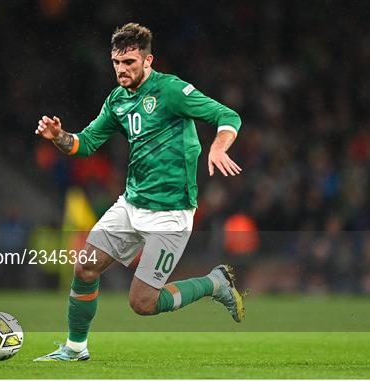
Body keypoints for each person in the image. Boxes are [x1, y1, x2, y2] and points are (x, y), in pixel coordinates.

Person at [34, 23, 244, 362]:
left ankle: (214, 283)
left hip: (171, 213)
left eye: (129, 62)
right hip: (131, 205)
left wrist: (218, 147)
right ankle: (75, 349)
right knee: (85, 267)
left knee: (142, 303)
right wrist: (59, 136)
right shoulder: (117, 100)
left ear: (148, 61)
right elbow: (84, 144)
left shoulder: (171, 90)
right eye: (116, 62)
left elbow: (227, 115)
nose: (121, 69)